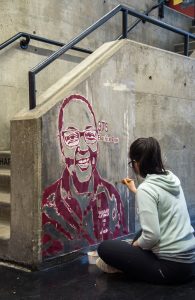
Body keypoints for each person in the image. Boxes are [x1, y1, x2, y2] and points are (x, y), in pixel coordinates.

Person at [96, 137, 195, 284]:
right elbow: (161, 203)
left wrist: (136, 245)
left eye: (132, 163)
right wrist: (136, 191)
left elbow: (152, 236)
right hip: (190, 262)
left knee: (105, 248)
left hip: (171, 270)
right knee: (139, 234)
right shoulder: (171, 179)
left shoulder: (146, 189)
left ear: (138, 163)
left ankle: (124, 265)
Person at [42, 94, 128, 258]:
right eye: (72, 137)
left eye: (89, 135)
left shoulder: (112, 197)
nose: (83, 147)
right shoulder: (47, 204)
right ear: (61, 144)